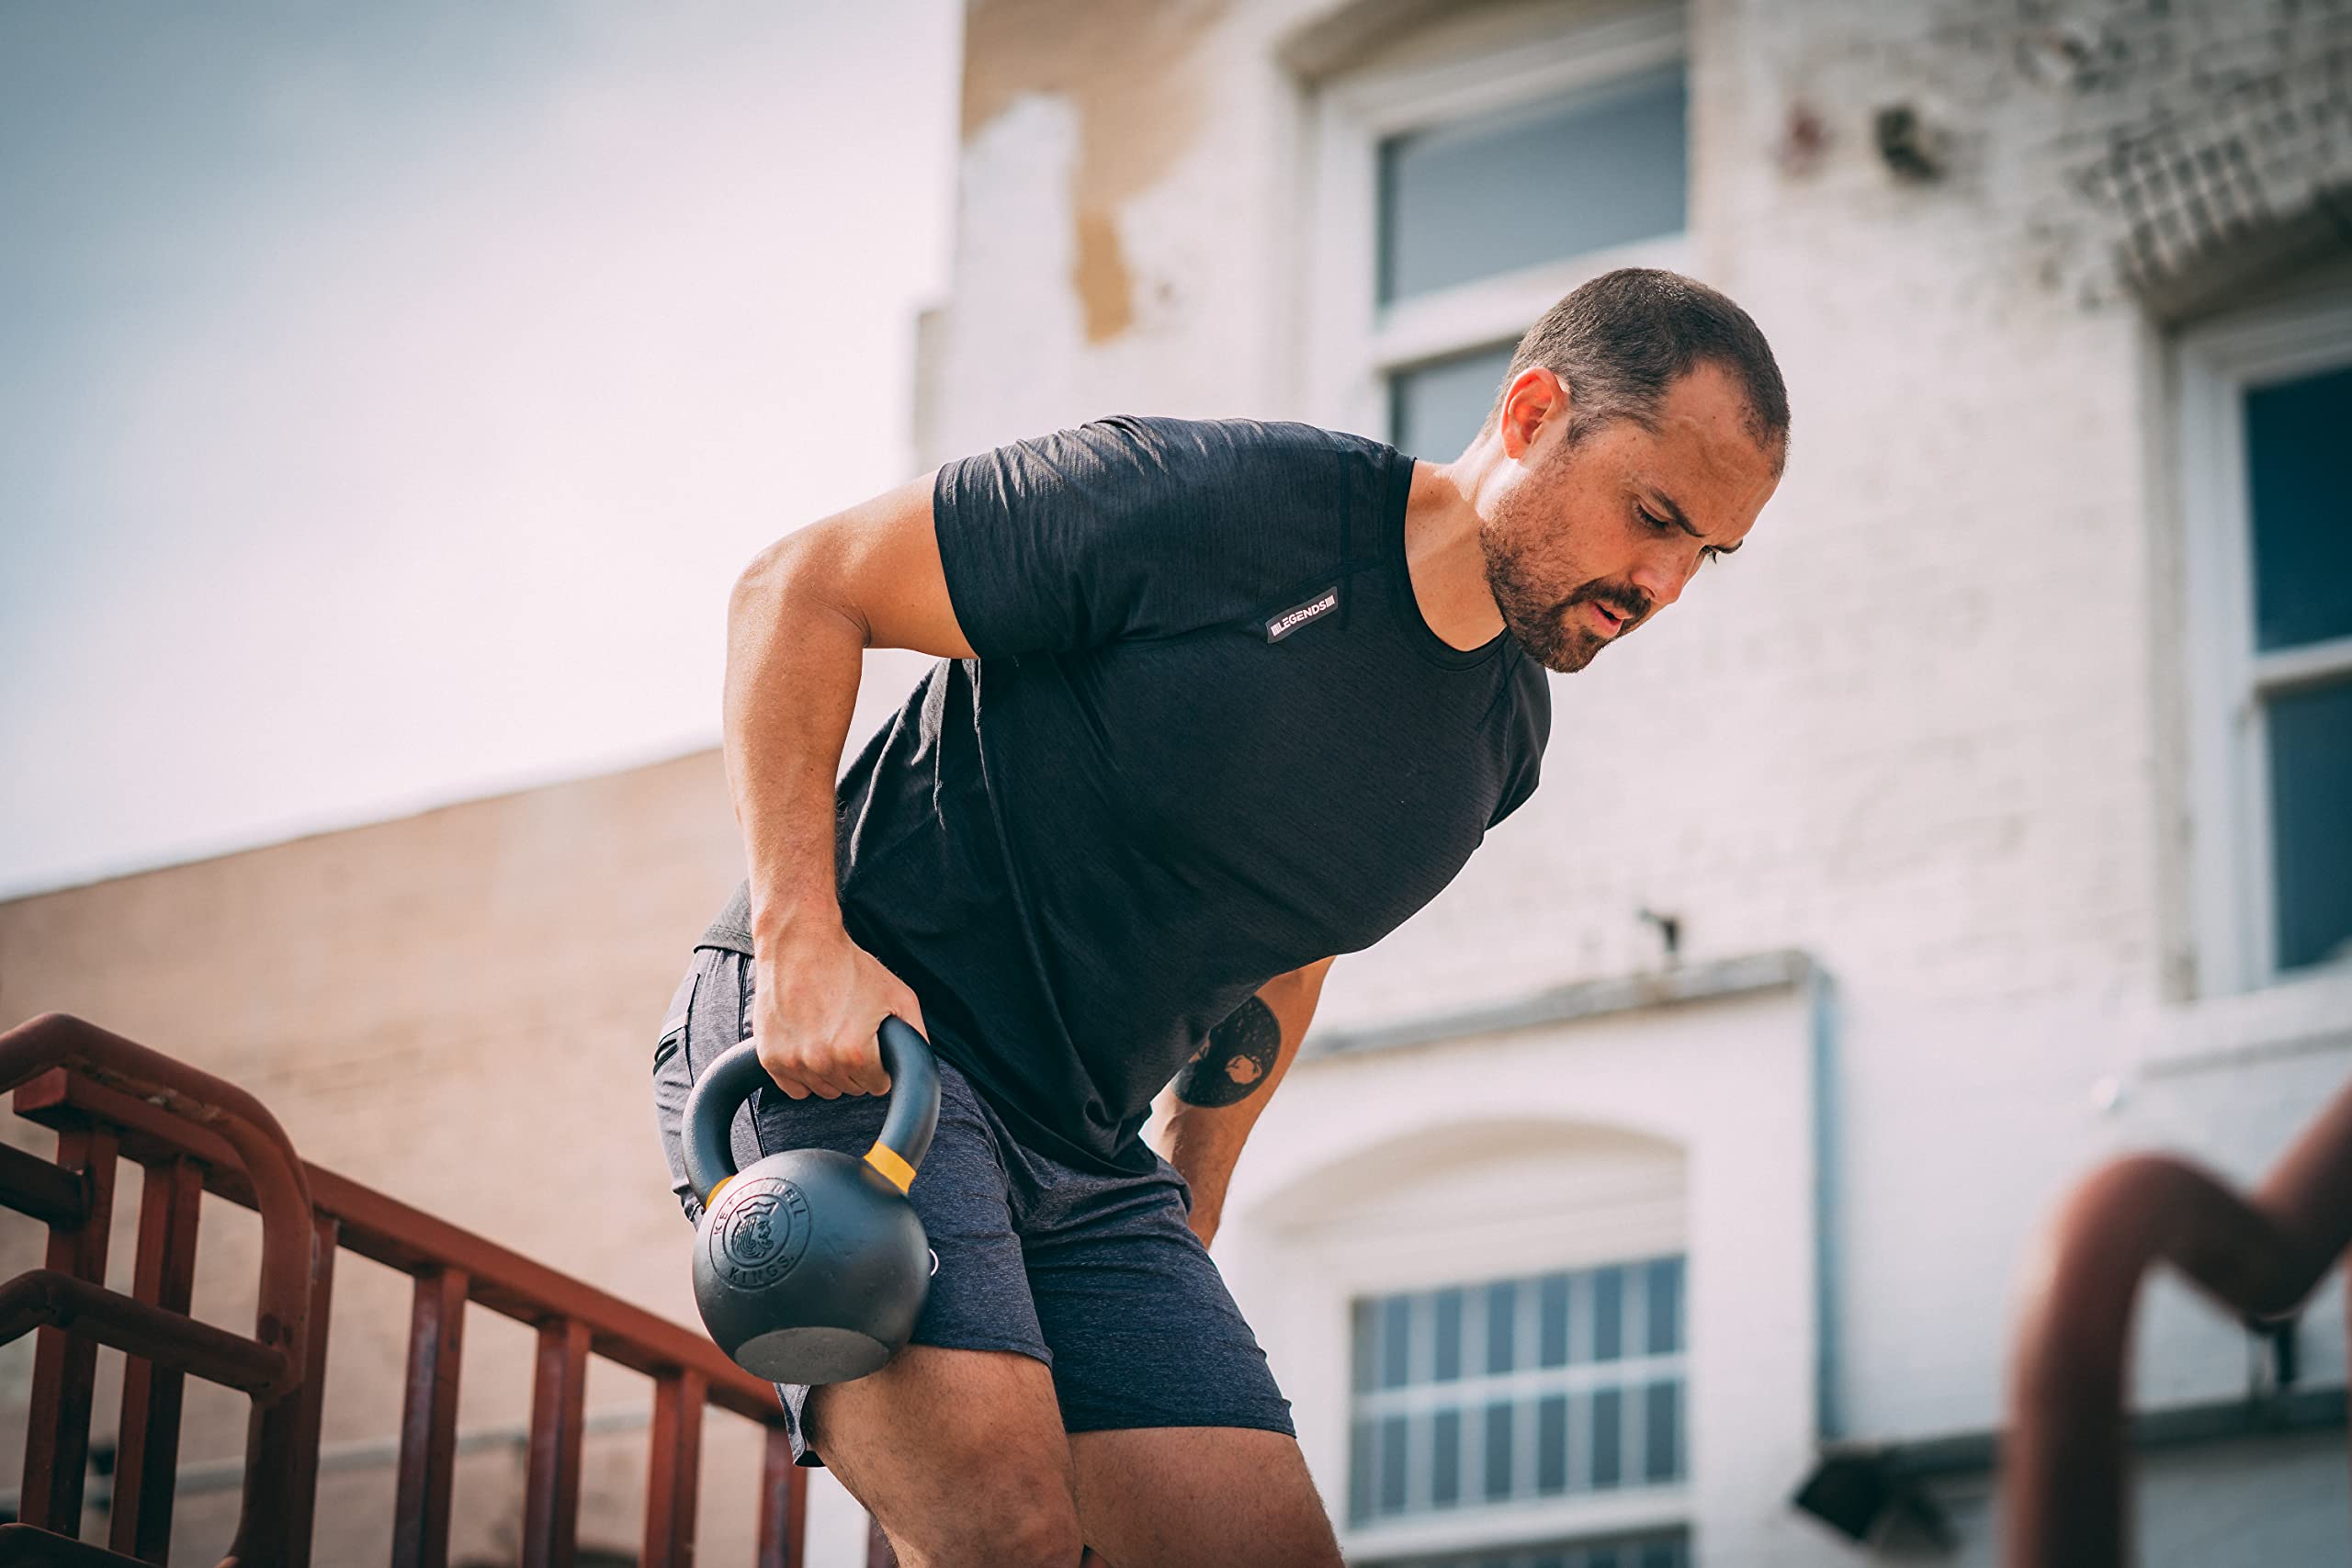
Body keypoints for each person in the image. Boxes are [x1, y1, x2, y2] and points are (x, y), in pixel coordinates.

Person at [650, 266, 1788, 1567]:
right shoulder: (1218, 506)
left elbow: (1295, 943)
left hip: (1083, 1156)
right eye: (1654, 516)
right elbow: (800, 586)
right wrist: (804, 938)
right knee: (1007, 1536)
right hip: (871, 1044)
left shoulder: (1500, 744)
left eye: (1707, 552)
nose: (1666, 583)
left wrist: (1194, 1191)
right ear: (1532, 413)